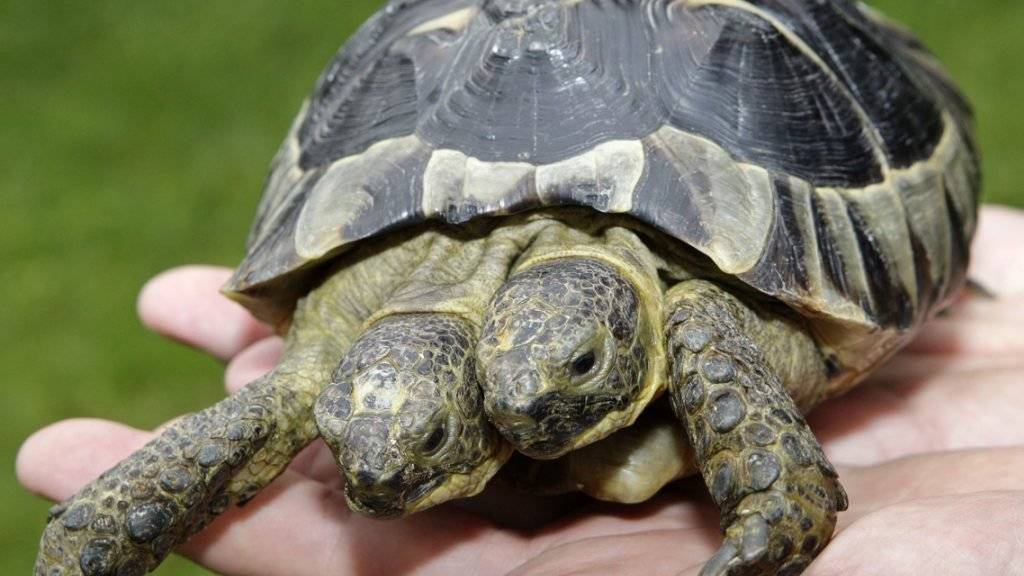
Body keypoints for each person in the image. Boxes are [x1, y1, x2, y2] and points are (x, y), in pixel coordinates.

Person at [18, 206, 1024, 575]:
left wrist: (775, 493)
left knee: (703, 326)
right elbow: (270, 407)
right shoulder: (350, 334)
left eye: (580, 373)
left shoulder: (700, 316)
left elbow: (699, 327)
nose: (533, 420)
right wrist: (104, 530)